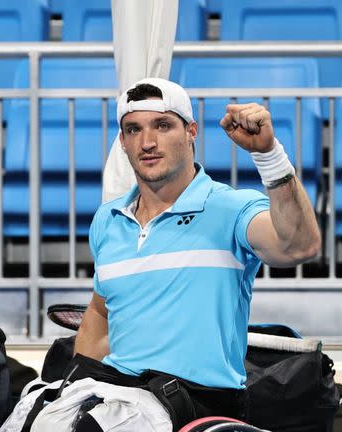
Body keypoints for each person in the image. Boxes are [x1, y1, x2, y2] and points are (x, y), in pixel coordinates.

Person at [63, 78, 320, 431]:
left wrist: (269, 155)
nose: (147, 142)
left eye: (163, 126)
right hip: (120, 399)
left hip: (199, 406)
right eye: (133, 130)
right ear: (121, 141)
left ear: (191, 132)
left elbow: (299, 245)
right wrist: (75, 384)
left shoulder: (231, 208)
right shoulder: (107, 220)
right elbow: (101, 311)